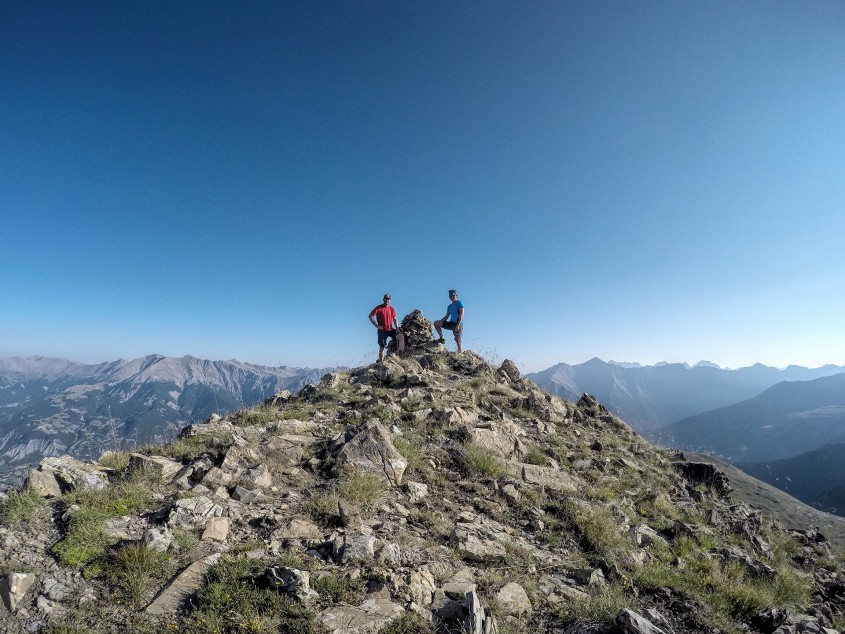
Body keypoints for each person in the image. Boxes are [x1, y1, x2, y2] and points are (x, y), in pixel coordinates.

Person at [368, 294, 405, 362]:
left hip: (390, 329)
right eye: (385, 298)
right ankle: (381, 362)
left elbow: (394, 319)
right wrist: (376, 325)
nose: (387, 300)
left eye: (388, 299)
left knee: (401, 336)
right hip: (382, 330)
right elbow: (370, 316)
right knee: (382, 347)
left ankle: (400, 354)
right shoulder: (379, 308)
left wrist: (396, 328)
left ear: (390, 300)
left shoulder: (391, 309)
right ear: (383, 299)